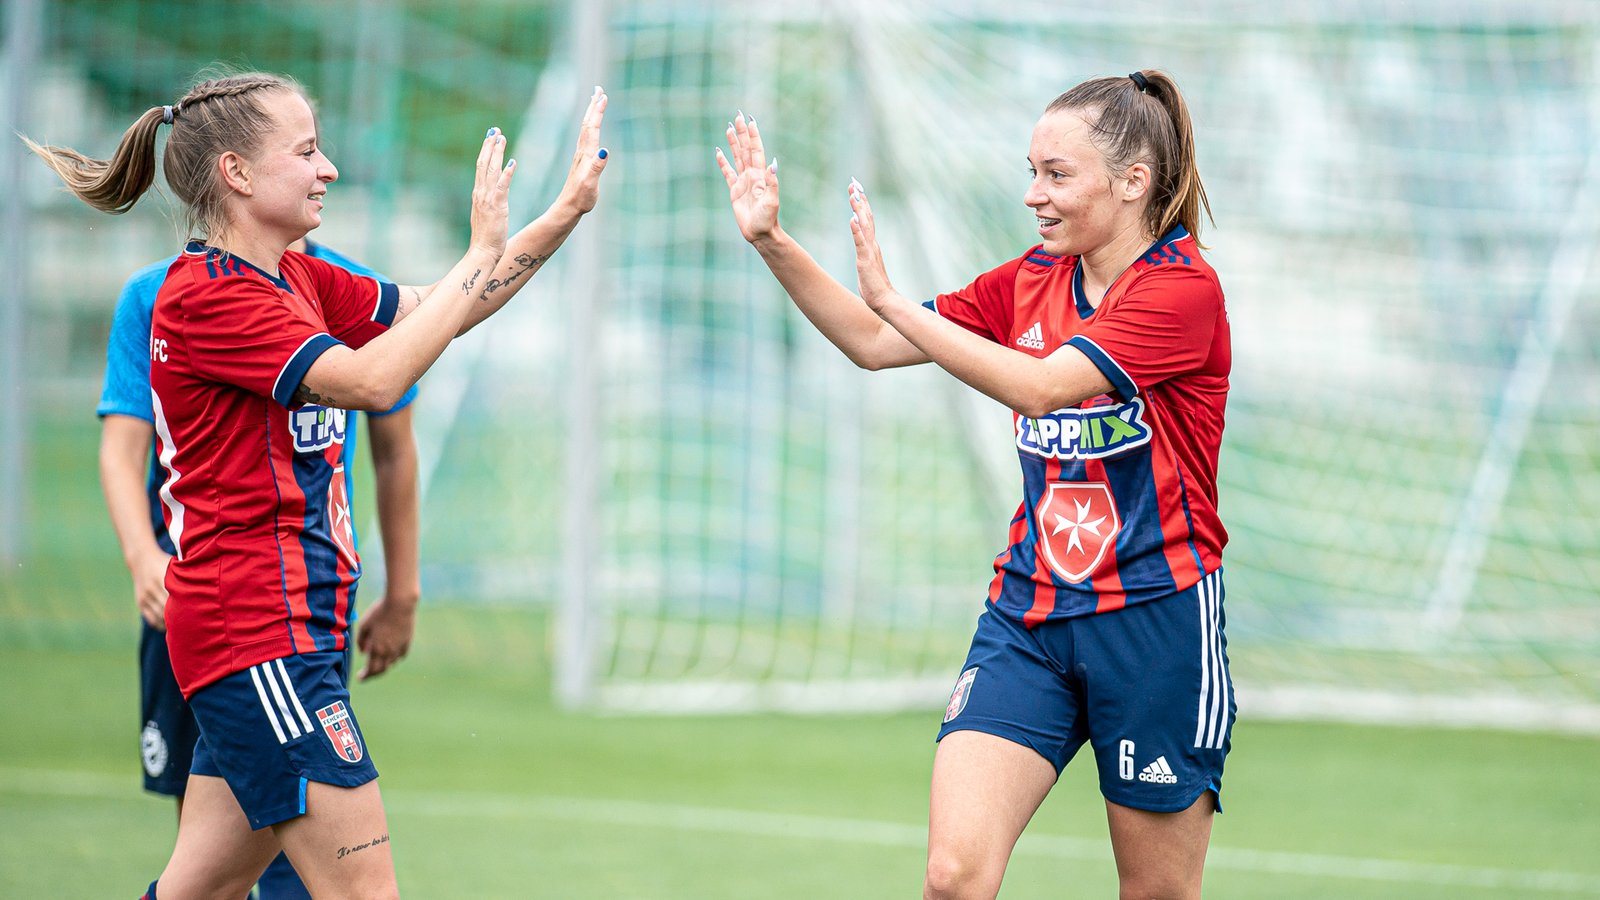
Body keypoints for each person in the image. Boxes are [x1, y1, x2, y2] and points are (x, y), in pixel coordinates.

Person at [30, 71, 609, 900]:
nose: (327, 168)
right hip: (257, 636)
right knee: (365, 892)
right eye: (305, 152)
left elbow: (440, 307)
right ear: (236, 172)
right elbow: (374, 381)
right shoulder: (209, 298)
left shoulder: (297, 279)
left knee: (202, 889)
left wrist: (564, 213)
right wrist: (479, 252)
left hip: (279, 635)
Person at [717, 70, 1231, 900]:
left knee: (1157, 893)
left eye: (1057, 175)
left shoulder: (1182, 290)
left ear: (1133, 182)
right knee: (954, 877)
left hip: (1154, 624)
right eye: (1032, 171)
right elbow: (871, 342)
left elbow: (1042, 388)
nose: (1034, 195)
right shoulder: (1031, 277)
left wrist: (894, 301)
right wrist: (772, 240)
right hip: (1030, 618)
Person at [97, 233, 423, 900]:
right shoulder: (168, 294)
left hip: (307, 611)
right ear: (238, 178)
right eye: (308, 166)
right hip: (238, 611)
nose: (326, 179)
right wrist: (142, 556)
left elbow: (396, 444)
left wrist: (403, 591)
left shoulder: (342, 286)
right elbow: (122, 448)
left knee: (221, 876)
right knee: (328, 875)